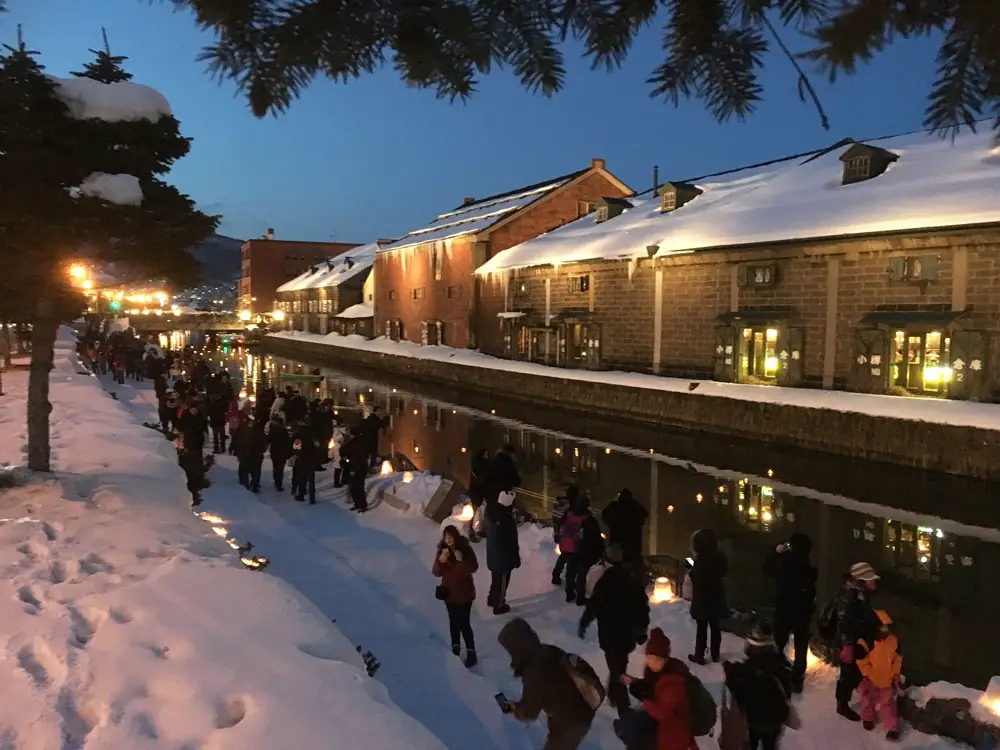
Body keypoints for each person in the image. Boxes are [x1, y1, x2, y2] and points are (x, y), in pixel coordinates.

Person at [497, 618, 597, 750]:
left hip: (571, 721)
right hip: (582, 709)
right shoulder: (546, 650)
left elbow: (529, 712)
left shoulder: (534, 670)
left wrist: (515, 709)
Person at [578, 543, 650, 718]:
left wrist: (584, 622)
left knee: (616, 667)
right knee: (619, 664)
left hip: (610, 634)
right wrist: (641, 629)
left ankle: (621, 704)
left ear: (607, 561)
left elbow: (594, 605)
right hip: (627, 634)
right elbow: (642, 607)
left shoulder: (605, 582)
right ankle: (614, 695)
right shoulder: (632, 580)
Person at [620, 628, 697, 750]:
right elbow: (651, 690)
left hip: (674, 729)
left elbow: (662, 712)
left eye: (657, 659)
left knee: (635, 732)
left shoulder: (674, 681)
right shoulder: (655, 673)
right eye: (649, 658)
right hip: (664, 723)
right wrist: (634, 682)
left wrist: (645, 701)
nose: (652, 663)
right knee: (632, 723)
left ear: (665, 659)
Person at [722, 625, 793, 750]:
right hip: (775, 720)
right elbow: (787, 691)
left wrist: (730, 671)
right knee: (770, 745)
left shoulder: (744, 671)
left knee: (750, 744)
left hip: (753, 721)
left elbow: (737, 691)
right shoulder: (781, 668)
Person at [763, 533, 817, 692]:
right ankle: (797, 678)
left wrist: (776, 552)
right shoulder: (810, 570)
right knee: (801, 646)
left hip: (784, 609)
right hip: (803, 612)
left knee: (779, 642)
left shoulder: (783, 566)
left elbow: (766, 568)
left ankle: (777, 671)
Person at [835, 562, 882, 722]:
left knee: (856, 672)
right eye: (870, 579)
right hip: (850, 642)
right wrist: (847, 645)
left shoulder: (860, 594)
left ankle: (851, 698)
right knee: (849, 674)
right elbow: (844, 622)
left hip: (858, 641)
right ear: (860, 580)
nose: (873, 582)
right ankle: (842, 704)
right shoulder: (850, 596)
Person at [432, 525, 479, 668]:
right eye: (446, 537)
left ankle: (471, 652)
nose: (448, 540)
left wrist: (461, 561)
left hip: (464, 595)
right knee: (453, 622)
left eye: (451, 537)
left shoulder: (465, 550)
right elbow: (436, 572)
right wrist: (440, 561)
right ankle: (455, 649)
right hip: (449, 594)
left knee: (464, 623)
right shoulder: (443, 551)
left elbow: (473, 568)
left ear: (456, 537)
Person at [856, 610, 902, 741]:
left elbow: (898, 658)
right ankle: (867, 718)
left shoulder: (893, 641)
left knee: (888, 704)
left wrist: (896, 674)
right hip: (870, 678)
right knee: (866, 700)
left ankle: (892, 728)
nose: (885, 630)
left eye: (887, 627)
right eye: (882, 627)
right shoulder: (865, 641)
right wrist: (868, 673)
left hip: (887, 679)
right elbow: (861, 660)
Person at [688, 527, 729, 665]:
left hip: (702, 598)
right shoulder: (719, 556)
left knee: (702, 629)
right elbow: (723, 571)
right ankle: (715, 654)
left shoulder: (700, 559)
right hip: (716, 596)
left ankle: (699, 655)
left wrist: (691, 567)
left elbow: (696, 576)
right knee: (715, 627)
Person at [559, 493, 604, 606]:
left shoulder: (569, 514)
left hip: (570, 548)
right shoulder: (589, 519)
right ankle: (580, 598)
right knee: (581, 575)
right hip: (584, 550)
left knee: (570, 572)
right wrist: (599, 551)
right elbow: (596, 537)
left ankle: (569, 595)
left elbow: (561, 527)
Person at [486, 489, 520, 615]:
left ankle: (491, 598)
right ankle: (499, 604)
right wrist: (515, 559)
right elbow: (510, 542)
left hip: (493, 555)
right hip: (503, 559)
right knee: (502, 581)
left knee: (495, 579)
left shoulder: (492, 514)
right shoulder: (506, 520)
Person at [602, 487, 648, 571]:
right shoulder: (635, 509)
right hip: (633, 547)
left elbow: (604, 514)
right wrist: (634, 502)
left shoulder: (615, 510)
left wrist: (613, 501)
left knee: (617, 571)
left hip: (618, 548)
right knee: (633, 571)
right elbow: (645, 513)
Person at [550, 485, 577, 586]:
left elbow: (555, 520)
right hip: (570, 535)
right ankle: (570, 579)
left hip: (560, 534)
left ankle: (556, 576)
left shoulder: (559, 505)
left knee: (564, 555)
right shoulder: (571, 507)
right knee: (572, 556)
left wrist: (556, 533)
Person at [291, 421, 320, 504]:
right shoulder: (312, 435)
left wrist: (296, 454)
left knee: (301, 478)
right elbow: (317, 446)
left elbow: (296, 449)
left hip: (302, 459)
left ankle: (301, 495)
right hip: (311, 459)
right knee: (311, 480)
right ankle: (312, 498)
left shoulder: (298, 435)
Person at [267, 415, 294, 491]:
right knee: (280, 468)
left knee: (275, 467)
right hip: (282, 452)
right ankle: (279, 483)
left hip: (274, 451)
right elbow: (288, 442)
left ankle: (276, 480)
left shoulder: (272, 430)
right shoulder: (284, 431)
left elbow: (269, 440)